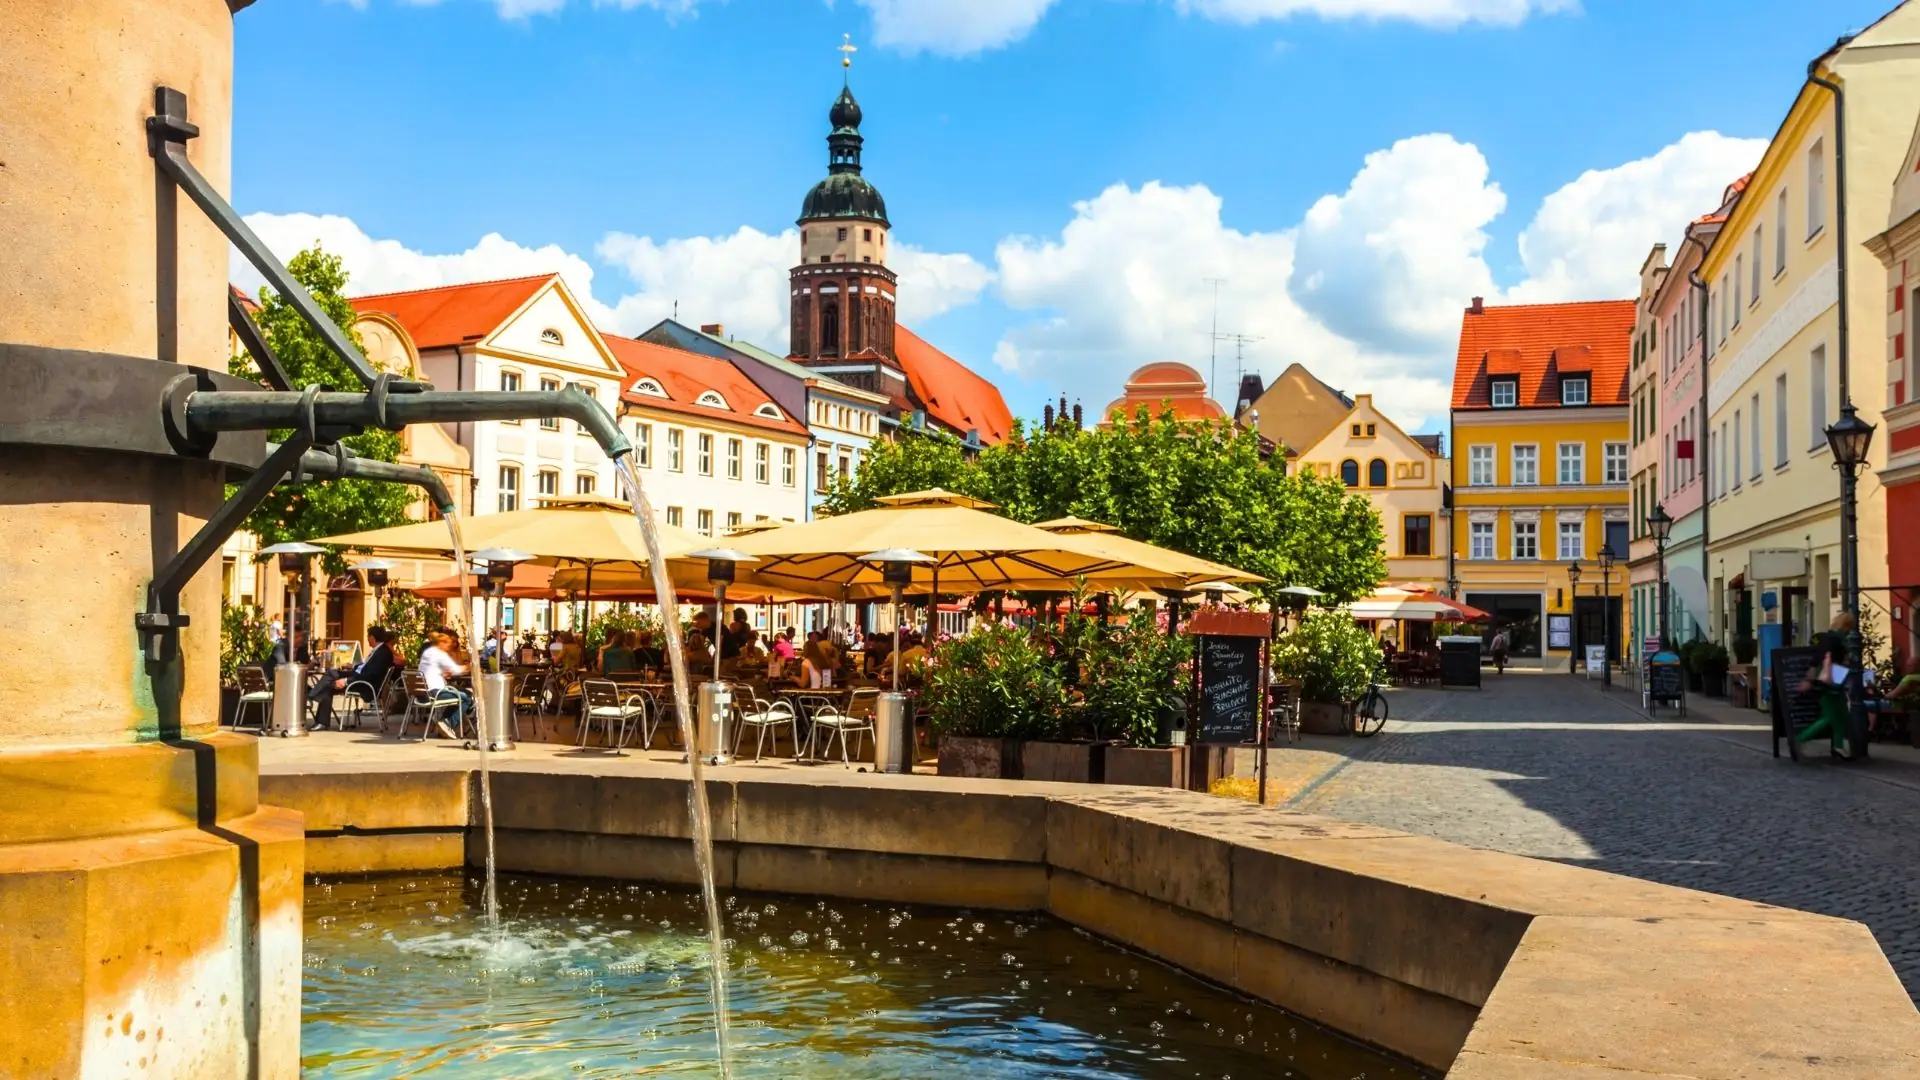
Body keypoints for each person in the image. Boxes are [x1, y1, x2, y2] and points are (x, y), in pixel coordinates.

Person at [310, 626, 397, 730]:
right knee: (331, 673)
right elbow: (366, 667)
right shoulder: (378, 650)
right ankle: (320, 717)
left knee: (329, 681)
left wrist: (346, 681)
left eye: (368, 637)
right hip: (358, 677)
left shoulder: (382, 653)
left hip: (364, 685)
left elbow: (369, 675)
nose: (367, 639)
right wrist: (353, 666)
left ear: (372, 637)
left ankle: (312, 699)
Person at [1795, 612, 1856, 758]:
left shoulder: (1830, 638)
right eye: (1849, 627)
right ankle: (1800, 739)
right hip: (1830, 682)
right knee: (1830, 716)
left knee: (1841, 714)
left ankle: (1838, 746)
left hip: (1833, 682)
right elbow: (1826, 659)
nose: (1850, 631)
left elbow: (1816, 659)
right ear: (1846, 626)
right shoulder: (1835, 640)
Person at [418, 627, 470, 739]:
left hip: (421, 693)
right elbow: (457, 669)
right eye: (448, 645)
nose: (449, 648)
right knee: (466, 697)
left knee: (460, 693)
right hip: (434, 692)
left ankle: (443, 724)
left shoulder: (428, 652)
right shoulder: (439, 654)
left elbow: (431, 669)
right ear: (441, 643)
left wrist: (441, 674)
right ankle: (447, 724)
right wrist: (470, 666)